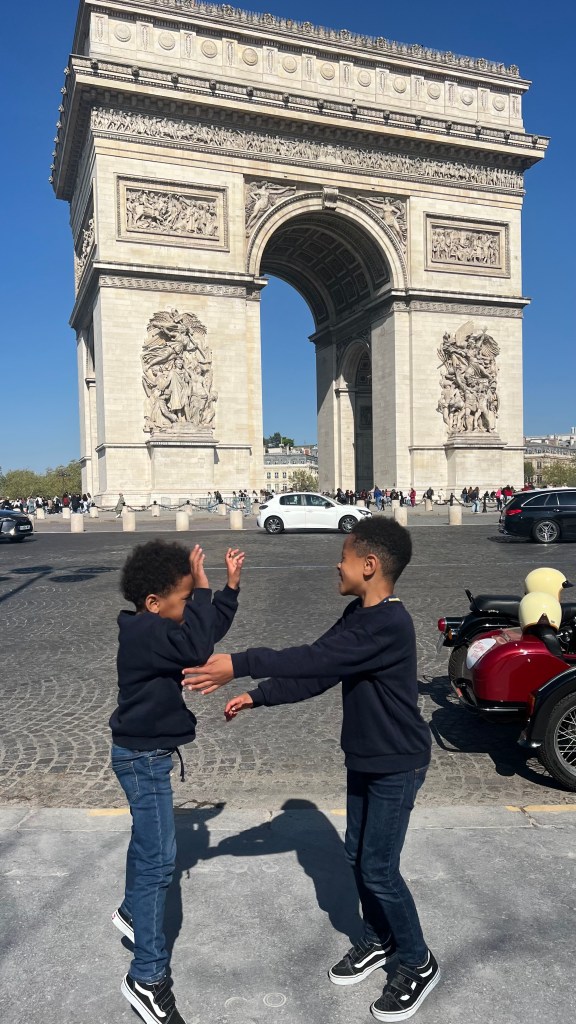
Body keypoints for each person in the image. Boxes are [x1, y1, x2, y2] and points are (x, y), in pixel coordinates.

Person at [184, 519, 439, 1022]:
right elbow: (320, 672)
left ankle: (418, 961)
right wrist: (258, 696)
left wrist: (240, 662)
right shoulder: (358, 615)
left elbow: (312, 657)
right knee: (356, 856)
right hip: (365, 758)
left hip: (398, 764)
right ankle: (378, 939)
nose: (337, 566)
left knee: (379, 869)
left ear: (369, 565)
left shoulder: (389, 624)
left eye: (344, 557)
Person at [109, 539, 245, 1024]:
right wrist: (205, 586)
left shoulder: (153, 627)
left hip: (144, 754)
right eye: (184, 599)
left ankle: (132, 911)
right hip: (143, 759)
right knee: (159, 862)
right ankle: (146, 978)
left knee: (148, 846)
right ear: (153, 603)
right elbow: (197, 644)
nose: (189, 607)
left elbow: (202, 631)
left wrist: (226, 591)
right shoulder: (147, 634)